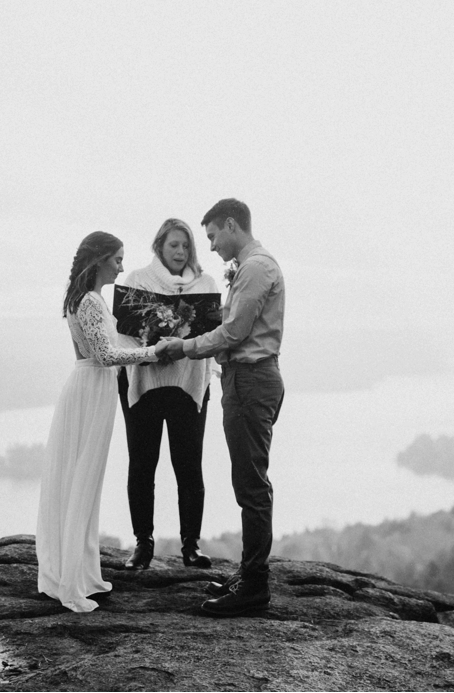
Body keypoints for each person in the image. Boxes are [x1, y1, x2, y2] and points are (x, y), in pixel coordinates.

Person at [36, 231, 182, 613]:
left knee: (82, 479)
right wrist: (154, 352)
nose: (121, 265)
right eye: (117, 258)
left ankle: (81, 571)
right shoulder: (89, 300)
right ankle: (73, 579)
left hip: (88, 386)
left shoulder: (79, 298)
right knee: (83, 479)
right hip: (92, 387)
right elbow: (103, 355)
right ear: (99, 259)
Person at [163, 198, 285, 617]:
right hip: (244, 380)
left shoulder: (255, 267)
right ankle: (249, 573)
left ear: (232, 225)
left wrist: (184, 346)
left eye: (213, 236)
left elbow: (233, 332)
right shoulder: (251, 267)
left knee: (251, 485)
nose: (211, 246)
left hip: (251, 382)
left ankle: (254, 586)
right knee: (246, 481)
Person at [118, 218, 220, 571]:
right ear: (159, 246)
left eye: (186, 246)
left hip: (189, 383)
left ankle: (191, 545)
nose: (180, 252)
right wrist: (151, 350)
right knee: (142, 464)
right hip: (144, 381)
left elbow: (214, 337)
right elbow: (124, 334)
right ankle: (142, 544)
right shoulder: (136, 280)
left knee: (189, 465)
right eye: (173, 245)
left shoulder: (205, 284)